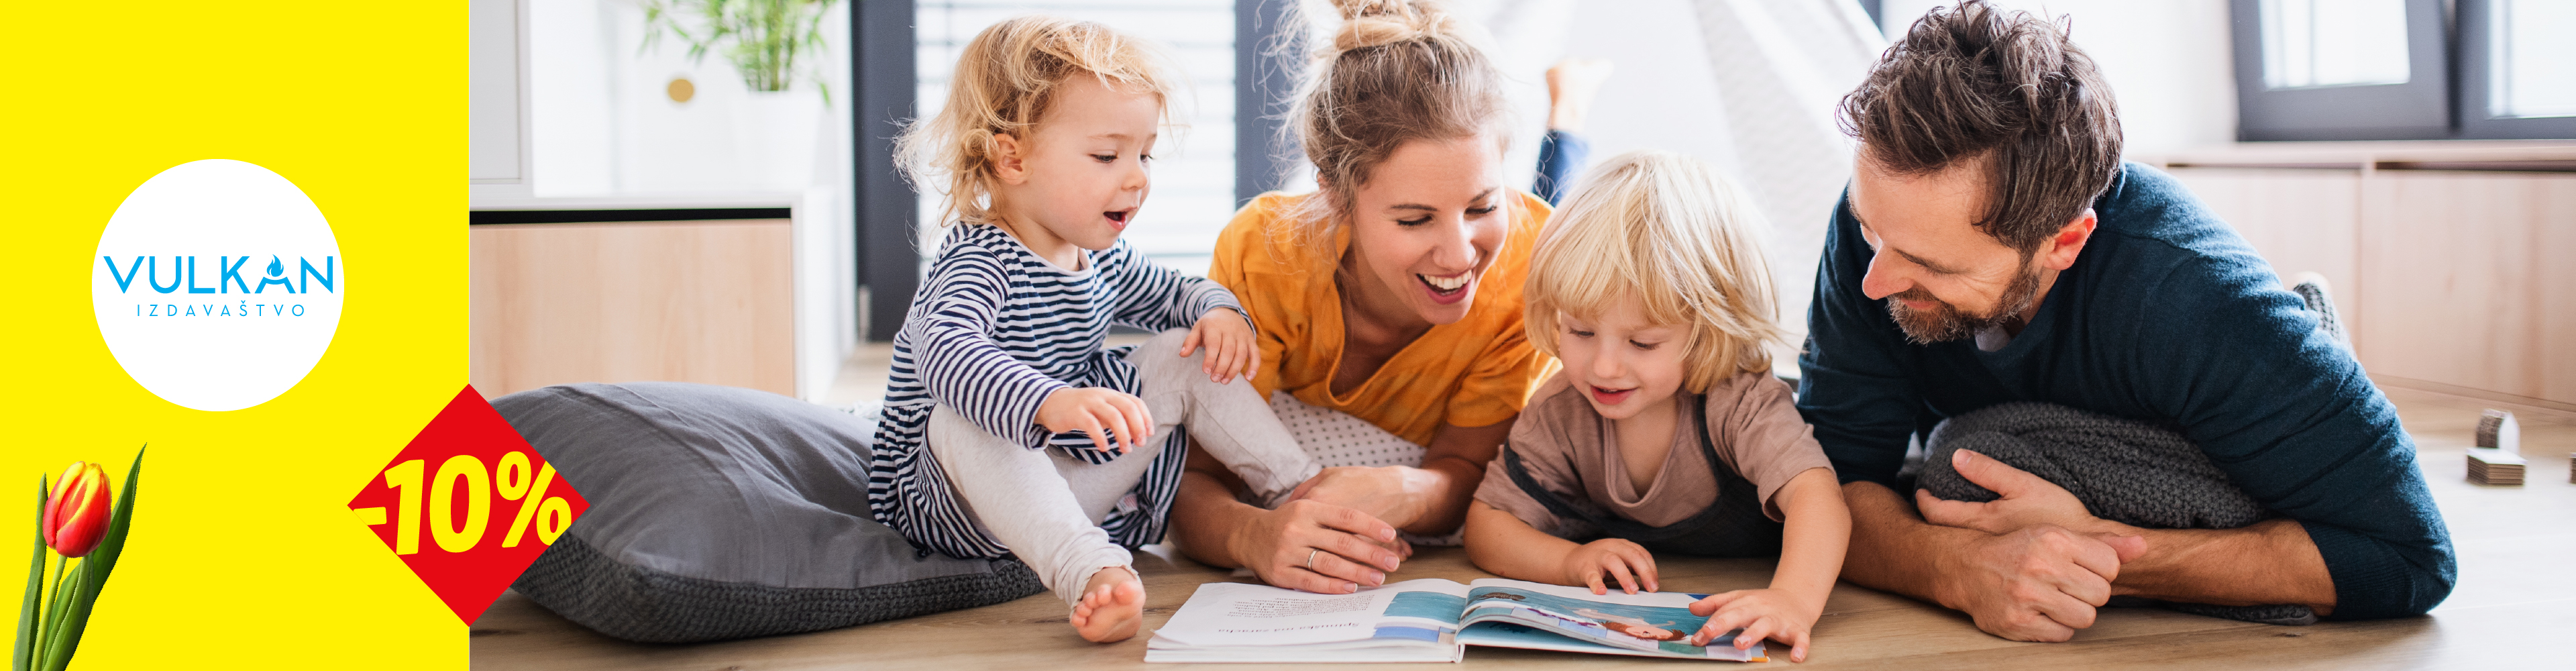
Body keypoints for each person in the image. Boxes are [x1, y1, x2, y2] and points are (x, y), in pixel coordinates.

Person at [1801, 1, 2453, 643]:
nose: (1873, 280)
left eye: (1928, 264)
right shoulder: (1884, 226)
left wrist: (2103, 556)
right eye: (1869, 227)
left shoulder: (2199, 303)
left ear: (2065, 241)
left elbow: (2412, 557)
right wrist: (1951, 569)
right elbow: (1826, 487)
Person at [868, 15, 1322, 643]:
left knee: (1179, 351)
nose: (1136, 177)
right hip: (956, 502)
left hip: (1062, 481)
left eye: (1144, 153)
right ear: (1012, 157)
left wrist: (1219, 311)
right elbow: (944, 354)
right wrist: (1048, 401)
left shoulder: (1098, 257)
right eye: (1108, 155)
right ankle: (1092, 570)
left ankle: (1304, 490)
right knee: (956, 417)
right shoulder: (979, 260)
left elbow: (1176, 292)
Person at [1169, 0, 1558, 597]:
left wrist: (1405, 489)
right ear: (1335, 197)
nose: (1459, 256)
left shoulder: (1528, 268)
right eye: (1413, 220)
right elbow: (1193, 480)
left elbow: (1467, 473)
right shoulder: (1266, 254)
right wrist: (1254, 537)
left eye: (1483, 207)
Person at [1462, 152, 1847, 662]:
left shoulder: (1738, 401)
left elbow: (1820, 499)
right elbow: (1488, 525)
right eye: (1580, 331)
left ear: (1708, 332)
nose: (1603, 367)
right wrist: (1571, 561)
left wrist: (1792, 599)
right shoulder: (1561, 409)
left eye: (1641, 343)